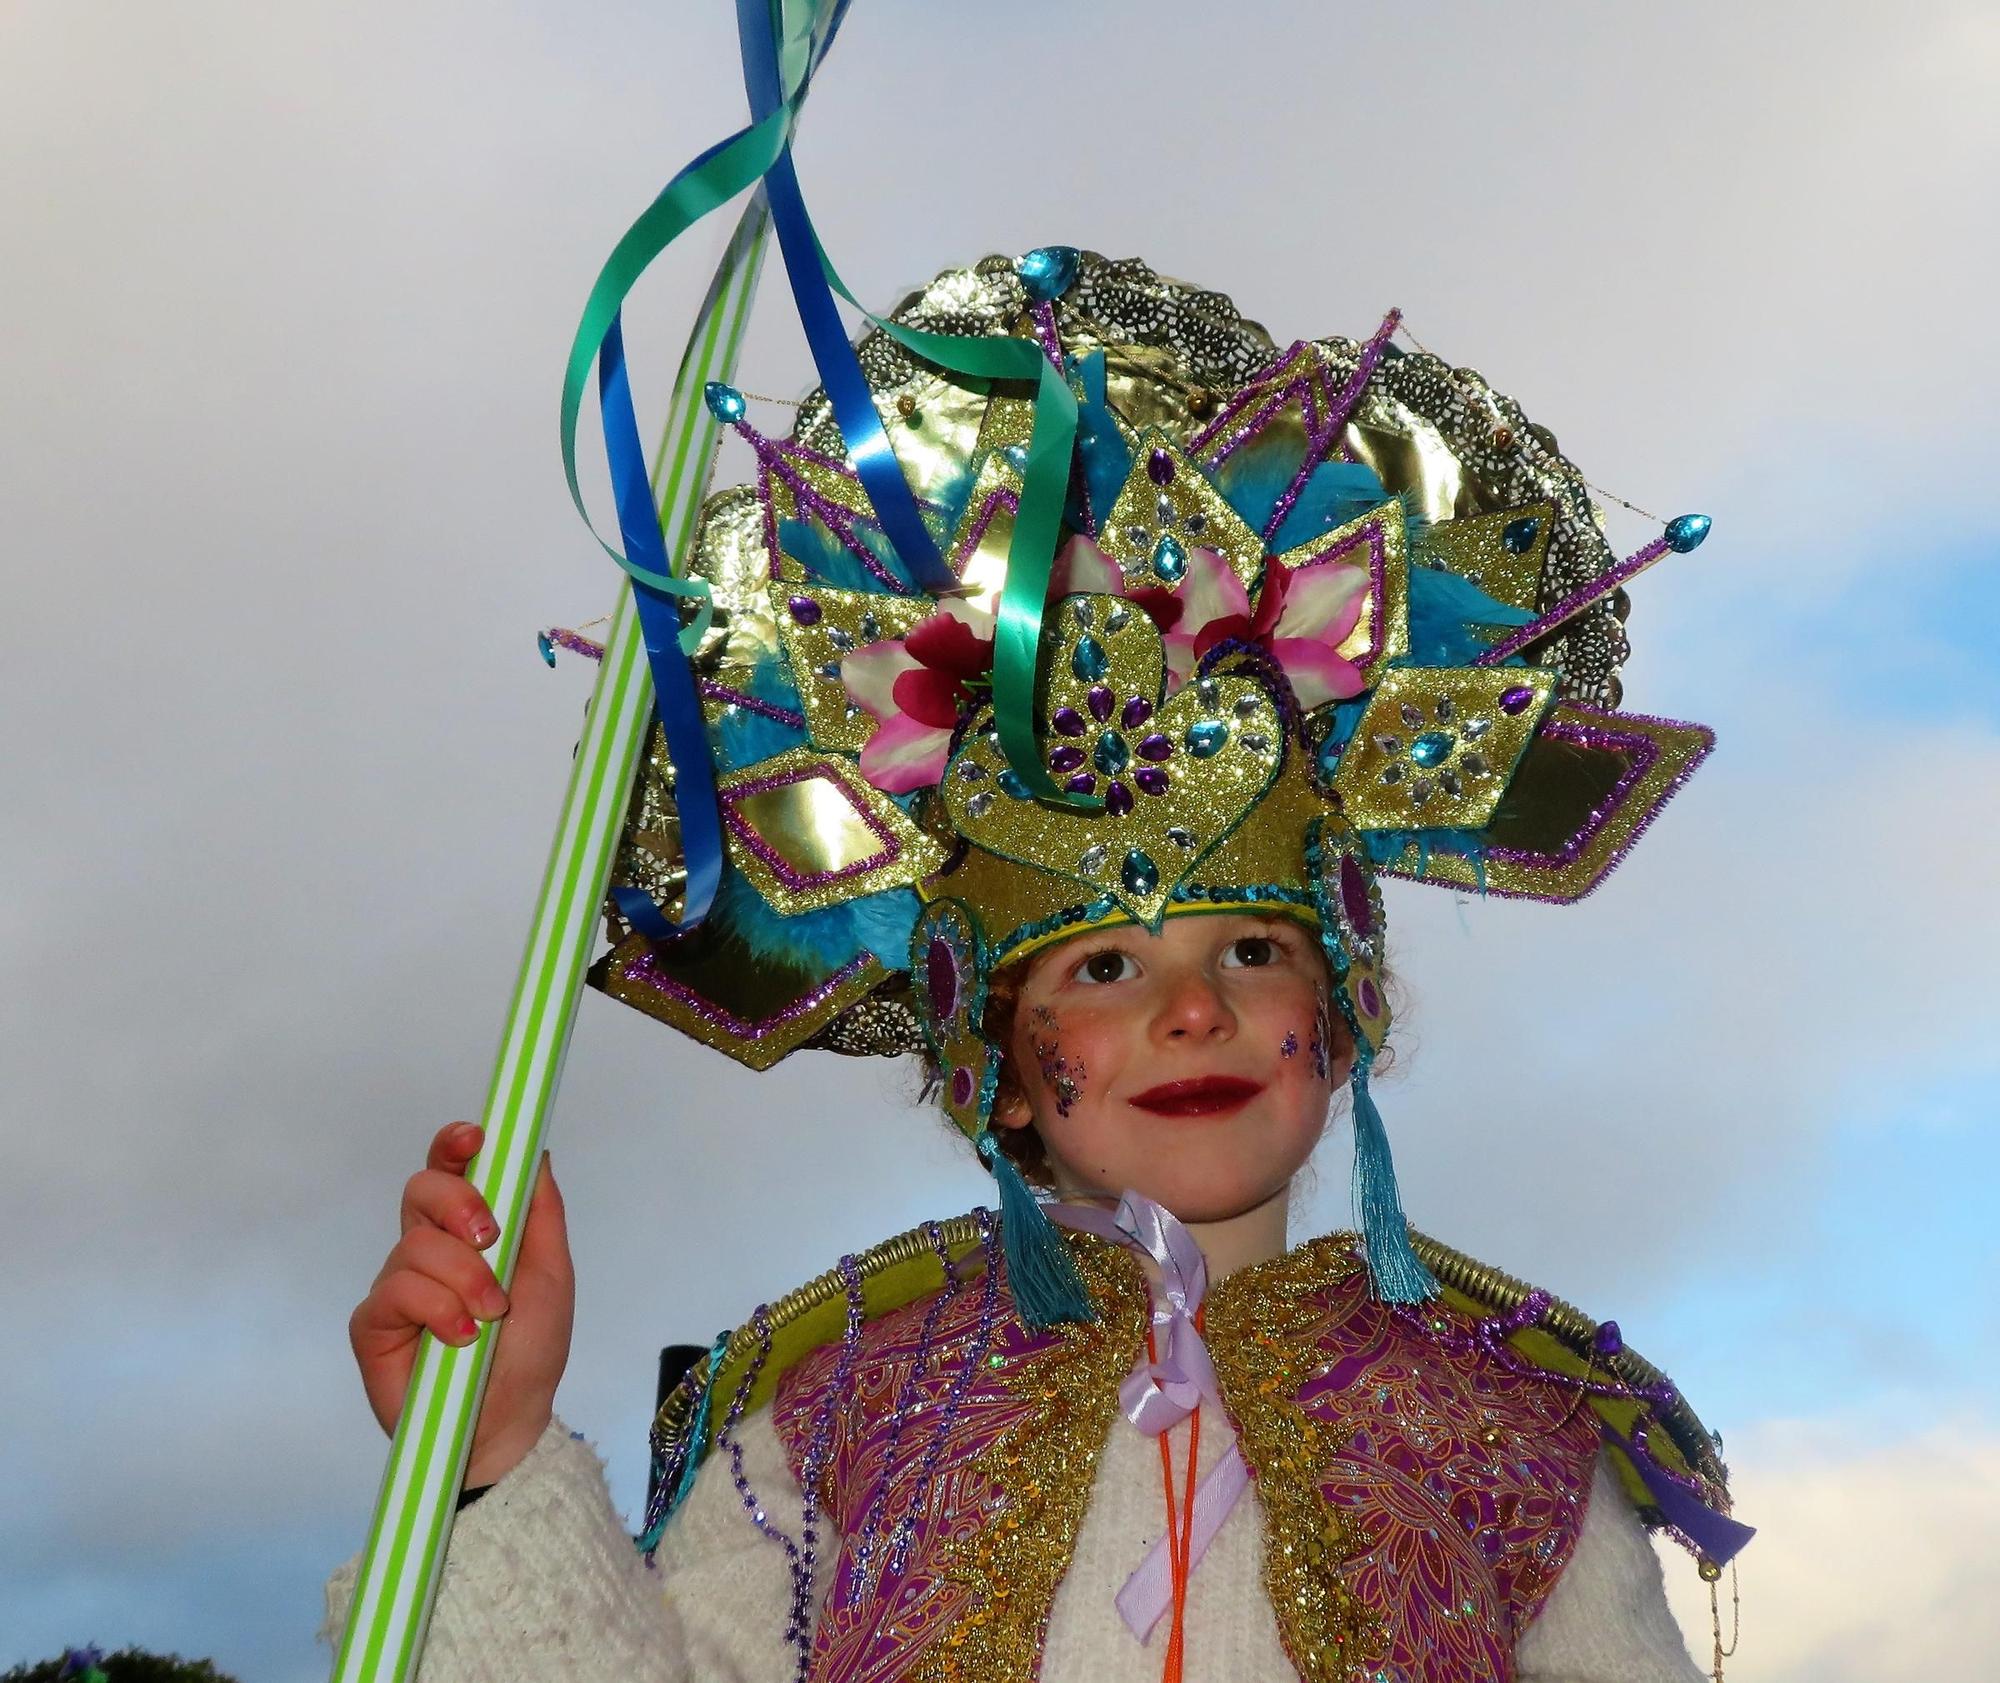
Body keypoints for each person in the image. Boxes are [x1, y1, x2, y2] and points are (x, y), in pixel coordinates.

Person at [325, 250, 1749, 1681]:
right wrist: (494, 1457)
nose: (1195, 1011)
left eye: (1251, 948)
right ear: (989, 1057)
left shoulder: (1516, 1438)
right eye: (1104, 971)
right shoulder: (836, 1411)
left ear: (1345, 1010)